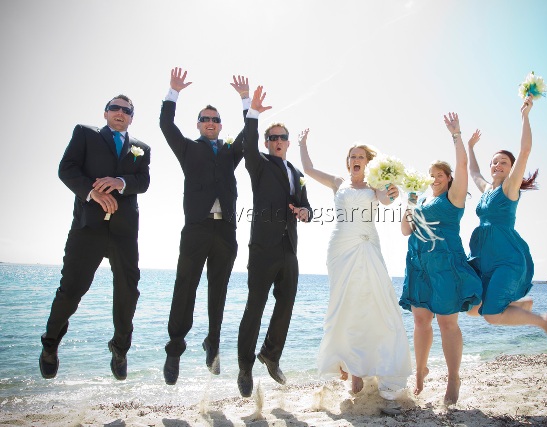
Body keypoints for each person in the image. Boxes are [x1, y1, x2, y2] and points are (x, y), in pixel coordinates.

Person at [40, 95, 151, 380]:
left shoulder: (141, 148)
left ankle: (120, 348)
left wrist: (121, 182)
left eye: (126, 110)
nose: (120, 113)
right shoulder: (84, 134)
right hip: (87, 228)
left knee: (129, 291)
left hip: (124, 233)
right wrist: (93, 192)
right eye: (114, 108)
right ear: (105, 113)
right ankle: (50, 345)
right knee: (71, 290)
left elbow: (143, 182)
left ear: (131, 118)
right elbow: (67, 169)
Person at [298, 130, 411, 400]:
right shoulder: (338, 182)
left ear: (367, 162)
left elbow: (386, 200)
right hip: (340, 248)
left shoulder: (376, 185)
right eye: (352, 156)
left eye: (360, 156)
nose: (355, 159)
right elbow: (309, 169)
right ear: (347, 162)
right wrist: (302, 144)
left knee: (373, 305)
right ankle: (352, 370)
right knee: (344, 306)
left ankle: (372, 368)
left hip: (368, 246)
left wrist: (391, 192)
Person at [159, 68, 250, 385]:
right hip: (196, 230)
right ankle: (174, 349)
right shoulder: (188, 148)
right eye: (205, 119)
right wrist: (173, 92)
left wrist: (245, 100)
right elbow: (165, 126)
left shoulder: (229, 152)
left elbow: (248, 136)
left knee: (218, 292)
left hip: (225, 232)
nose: (210, 123)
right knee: (185, 288)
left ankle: (212, 343)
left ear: (220, 125)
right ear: (198, 124)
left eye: (215, 119)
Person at [398, 112, 483, 404]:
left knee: (448, 323)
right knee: (421, 322)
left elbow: (462, 164)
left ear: (448, 179)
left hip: (445, 266)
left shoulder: (453, 198)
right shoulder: (422, 201)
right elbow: (405, 230)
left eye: (439, 175)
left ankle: (453, 378)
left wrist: (456, 135)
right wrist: (409, 201)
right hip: (418, 264)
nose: (434, 179)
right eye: (431, 175)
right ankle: (420, 372)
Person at [237, 86, 313, 398]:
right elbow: (247, 143)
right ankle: (244, 368)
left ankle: (270, 355)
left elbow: (306, 205)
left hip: (289, 249)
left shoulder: (296, 171)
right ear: (267, 143)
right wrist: (250, 109)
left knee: (286, 305)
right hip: (263, 247)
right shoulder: (259, 164)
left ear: (288, 142)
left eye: (283, 137)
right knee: (255, 308)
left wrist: (304, 212)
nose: (278, 142)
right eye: (273, 138)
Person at [466, 95, 547, 347]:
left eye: (503, 162)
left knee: (492, 316)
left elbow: (525, 151)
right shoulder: (486, 189)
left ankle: (543, 321)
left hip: (506, 257)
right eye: (494, 161)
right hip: (485, 258)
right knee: (471, 308)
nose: (497, 164)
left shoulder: (509, 188)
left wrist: (525, 116)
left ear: (510, 169)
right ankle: (520, 306)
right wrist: (470, 147)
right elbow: (473, 172)